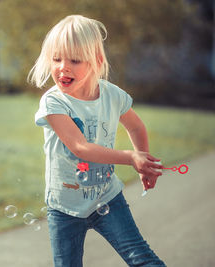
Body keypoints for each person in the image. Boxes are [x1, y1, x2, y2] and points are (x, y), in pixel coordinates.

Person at [29, 15, 166, 267]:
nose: (63, 67)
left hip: (107, 198)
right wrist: (130, 157)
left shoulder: (112, 96)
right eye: (56, 58)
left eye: (75, 60)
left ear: (96, 61)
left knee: (142, 258)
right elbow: (80, 147)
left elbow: (136, 126)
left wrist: (143, 161)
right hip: (64, 207)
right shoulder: (54, 102)